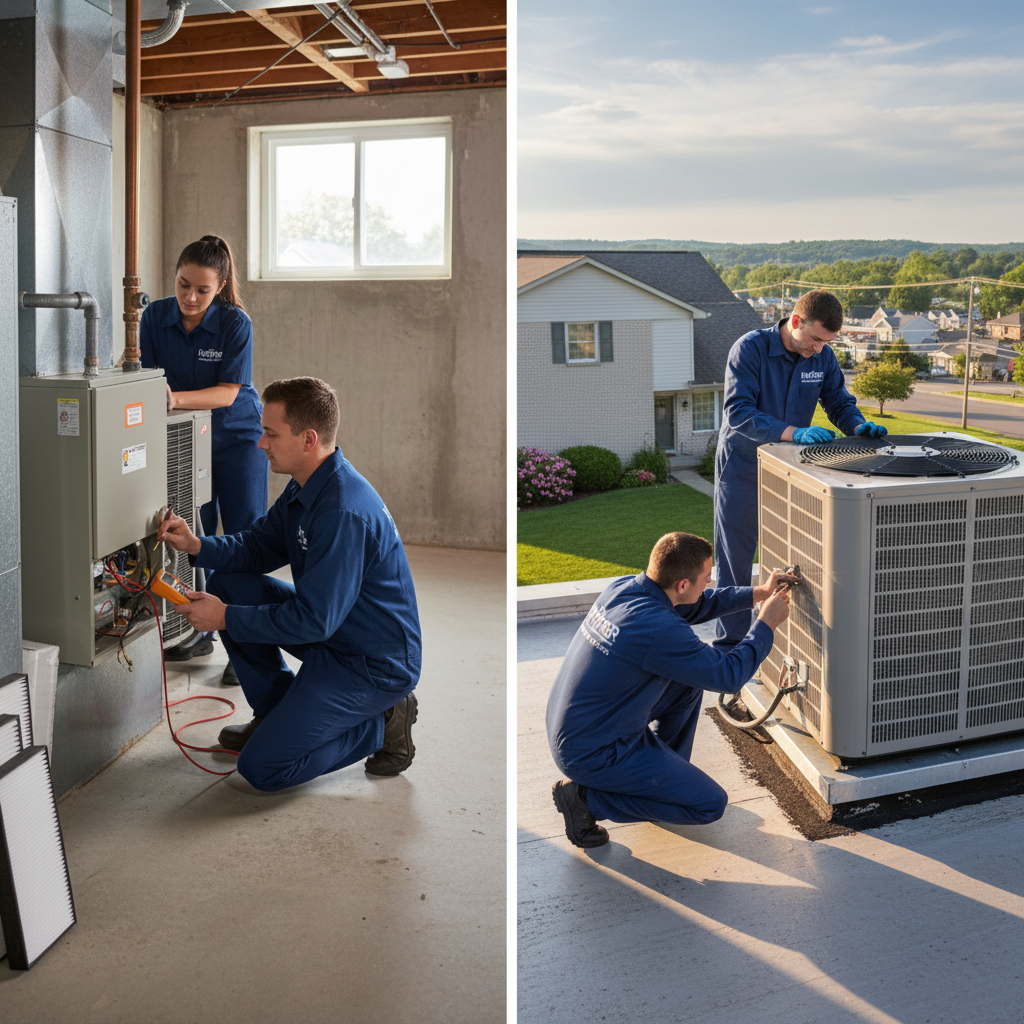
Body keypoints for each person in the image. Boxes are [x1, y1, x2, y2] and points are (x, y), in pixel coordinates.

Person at [156, 376, 422, 792]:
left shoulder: (341, 512)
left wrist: (225, 619)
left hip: (371, 663)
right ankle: (276, 714)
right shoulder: (306, 487)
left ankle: (381, 723)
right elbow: (259, 546)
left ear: (308, 439)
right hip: (338, 633)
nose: (261, 444)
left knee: (263, 768)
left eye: (270, 434)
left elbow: (314, 621)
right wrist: (196, 544)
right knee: (230, 584)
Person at [546, 532, 795, 848]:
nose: (709, 583)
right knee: (708, 804)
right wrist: (765, 625)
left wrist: (758, 593)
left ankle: (658, 786)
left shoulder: (626, 589)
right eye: (706, 578)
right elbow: (728, 675)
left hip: (577, 726)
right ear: (682, 584)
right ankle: (586, 800)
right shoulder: (659, 629)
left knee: (689, 683)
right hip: (594, 751)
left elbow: (696, 605)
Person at [713, 289, 886, 648]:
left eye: (827, 342)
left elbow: (838, 401)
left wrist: (857, 427)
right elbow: (738, 412)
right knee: (736, 562)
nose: (819, 348)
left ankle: (777, 642)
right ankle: (729, 650)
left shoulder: (821, 358)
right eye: (815, 339)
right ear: (795, 322)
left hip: (789, 470)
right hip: (742, 468)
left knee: (790, 551)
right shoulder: (750, 349)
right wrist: (794, 432)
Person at [141, 234, 267, 673]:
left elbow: (228, 393)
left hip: (236, 441)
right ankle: (203, 632)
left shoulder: (236, 323)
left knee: (243, 539)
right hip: (186, 442)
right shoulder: (154, 316)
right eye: (182, 285)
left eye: (202, 290)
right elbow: (148, 380)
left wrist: (173, 399)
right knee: (196, 535)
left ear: (221, 286)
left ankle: (247, 641)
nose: (190, 298)